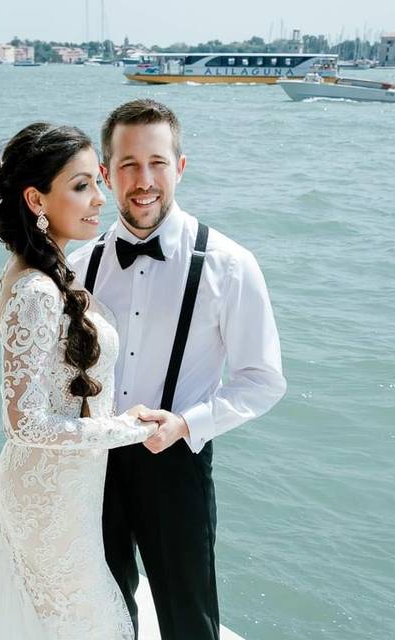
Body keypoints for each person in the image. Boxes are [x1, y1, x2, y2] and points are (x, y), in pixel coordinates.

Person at [69, 99, 287, 640]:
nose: (144, 180)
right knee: (105, 611)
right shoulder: (78, 266)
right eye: (128, 164)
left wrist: (189, 424)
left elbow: (262, 380)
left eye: (157, 163)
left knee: (189, 619)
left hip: (177, 466)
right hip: (91, 464)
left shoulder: (229, 265)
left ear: (180, 167)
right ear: (106, 172)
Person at [0, 122, 156, 639]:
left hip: (66, 486)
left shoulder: (52, 270)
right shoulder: (36, 288)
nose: (100, 199)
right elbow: (25, 423)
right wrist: (128, 427)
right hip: (48, 493)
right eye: (81, 186)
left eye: (97, 181)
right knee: (78, 620)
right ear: (36, 198)